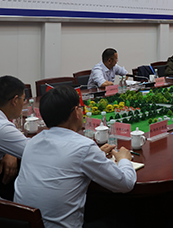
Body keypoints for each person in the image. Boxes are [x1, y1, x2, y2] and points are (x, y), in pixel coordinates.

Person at [14, 86, 136, 228]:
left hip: (25, 223)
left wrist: (96, 154)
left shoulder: (32, 142)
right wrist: (123, 159)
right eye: (80, 107)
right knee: (129, 216)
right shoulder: (84, 147)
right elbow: (125, 184)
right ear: (75, 113)